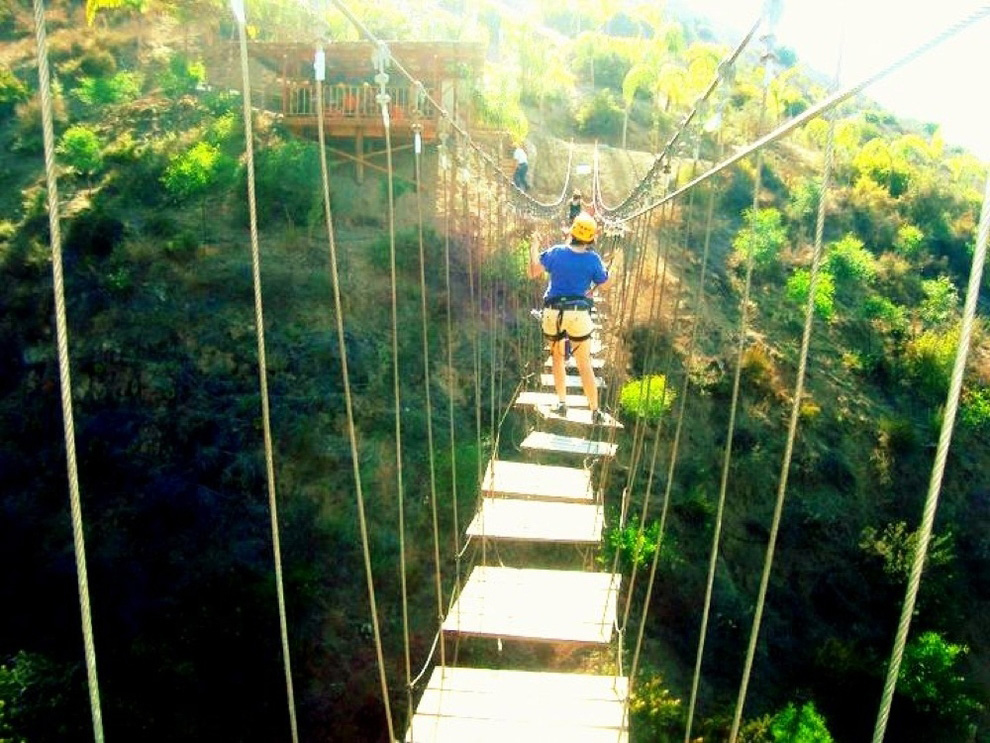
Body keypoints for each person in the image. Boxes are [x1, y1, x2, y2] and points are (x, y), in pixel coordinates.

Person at [528, 212, 613, 424]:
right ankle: (595, 411)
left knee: (557, 359)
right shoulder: (593, 260)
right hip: (578, 314)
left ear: (571, 232)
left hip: (553, 313)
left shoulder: (555, 252)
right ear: (591, 239)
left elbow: (533, 272)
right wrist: (612, 269)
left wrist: (533, 247)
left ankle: (562, 404)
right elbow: (606, 285)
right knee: (584, 363)